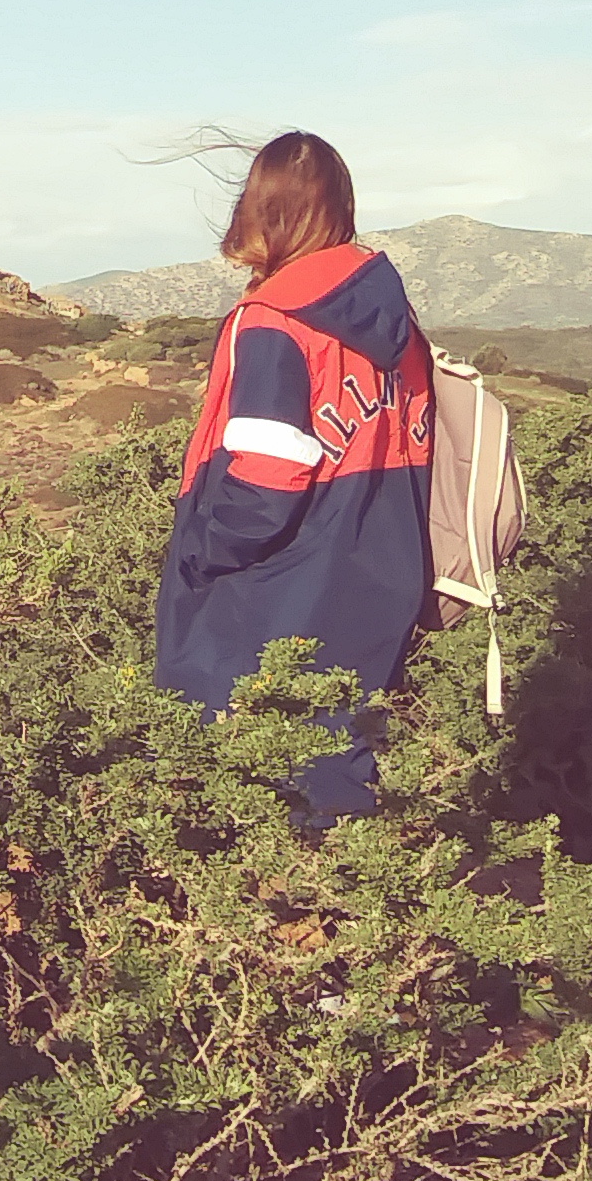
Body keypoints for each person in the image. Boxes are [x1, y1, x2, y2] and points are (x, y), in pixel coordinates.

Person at [152, 131, 433, 821]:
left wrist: (202, 552)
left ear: (261, 210)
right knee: (343, 745)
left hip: (280, 588)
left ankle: (269, 910)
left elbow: (266, 480)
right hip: (382, 567)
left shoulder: (276, 322)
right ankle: (358, 902)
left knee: (252, 764)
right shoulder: (398, 327)